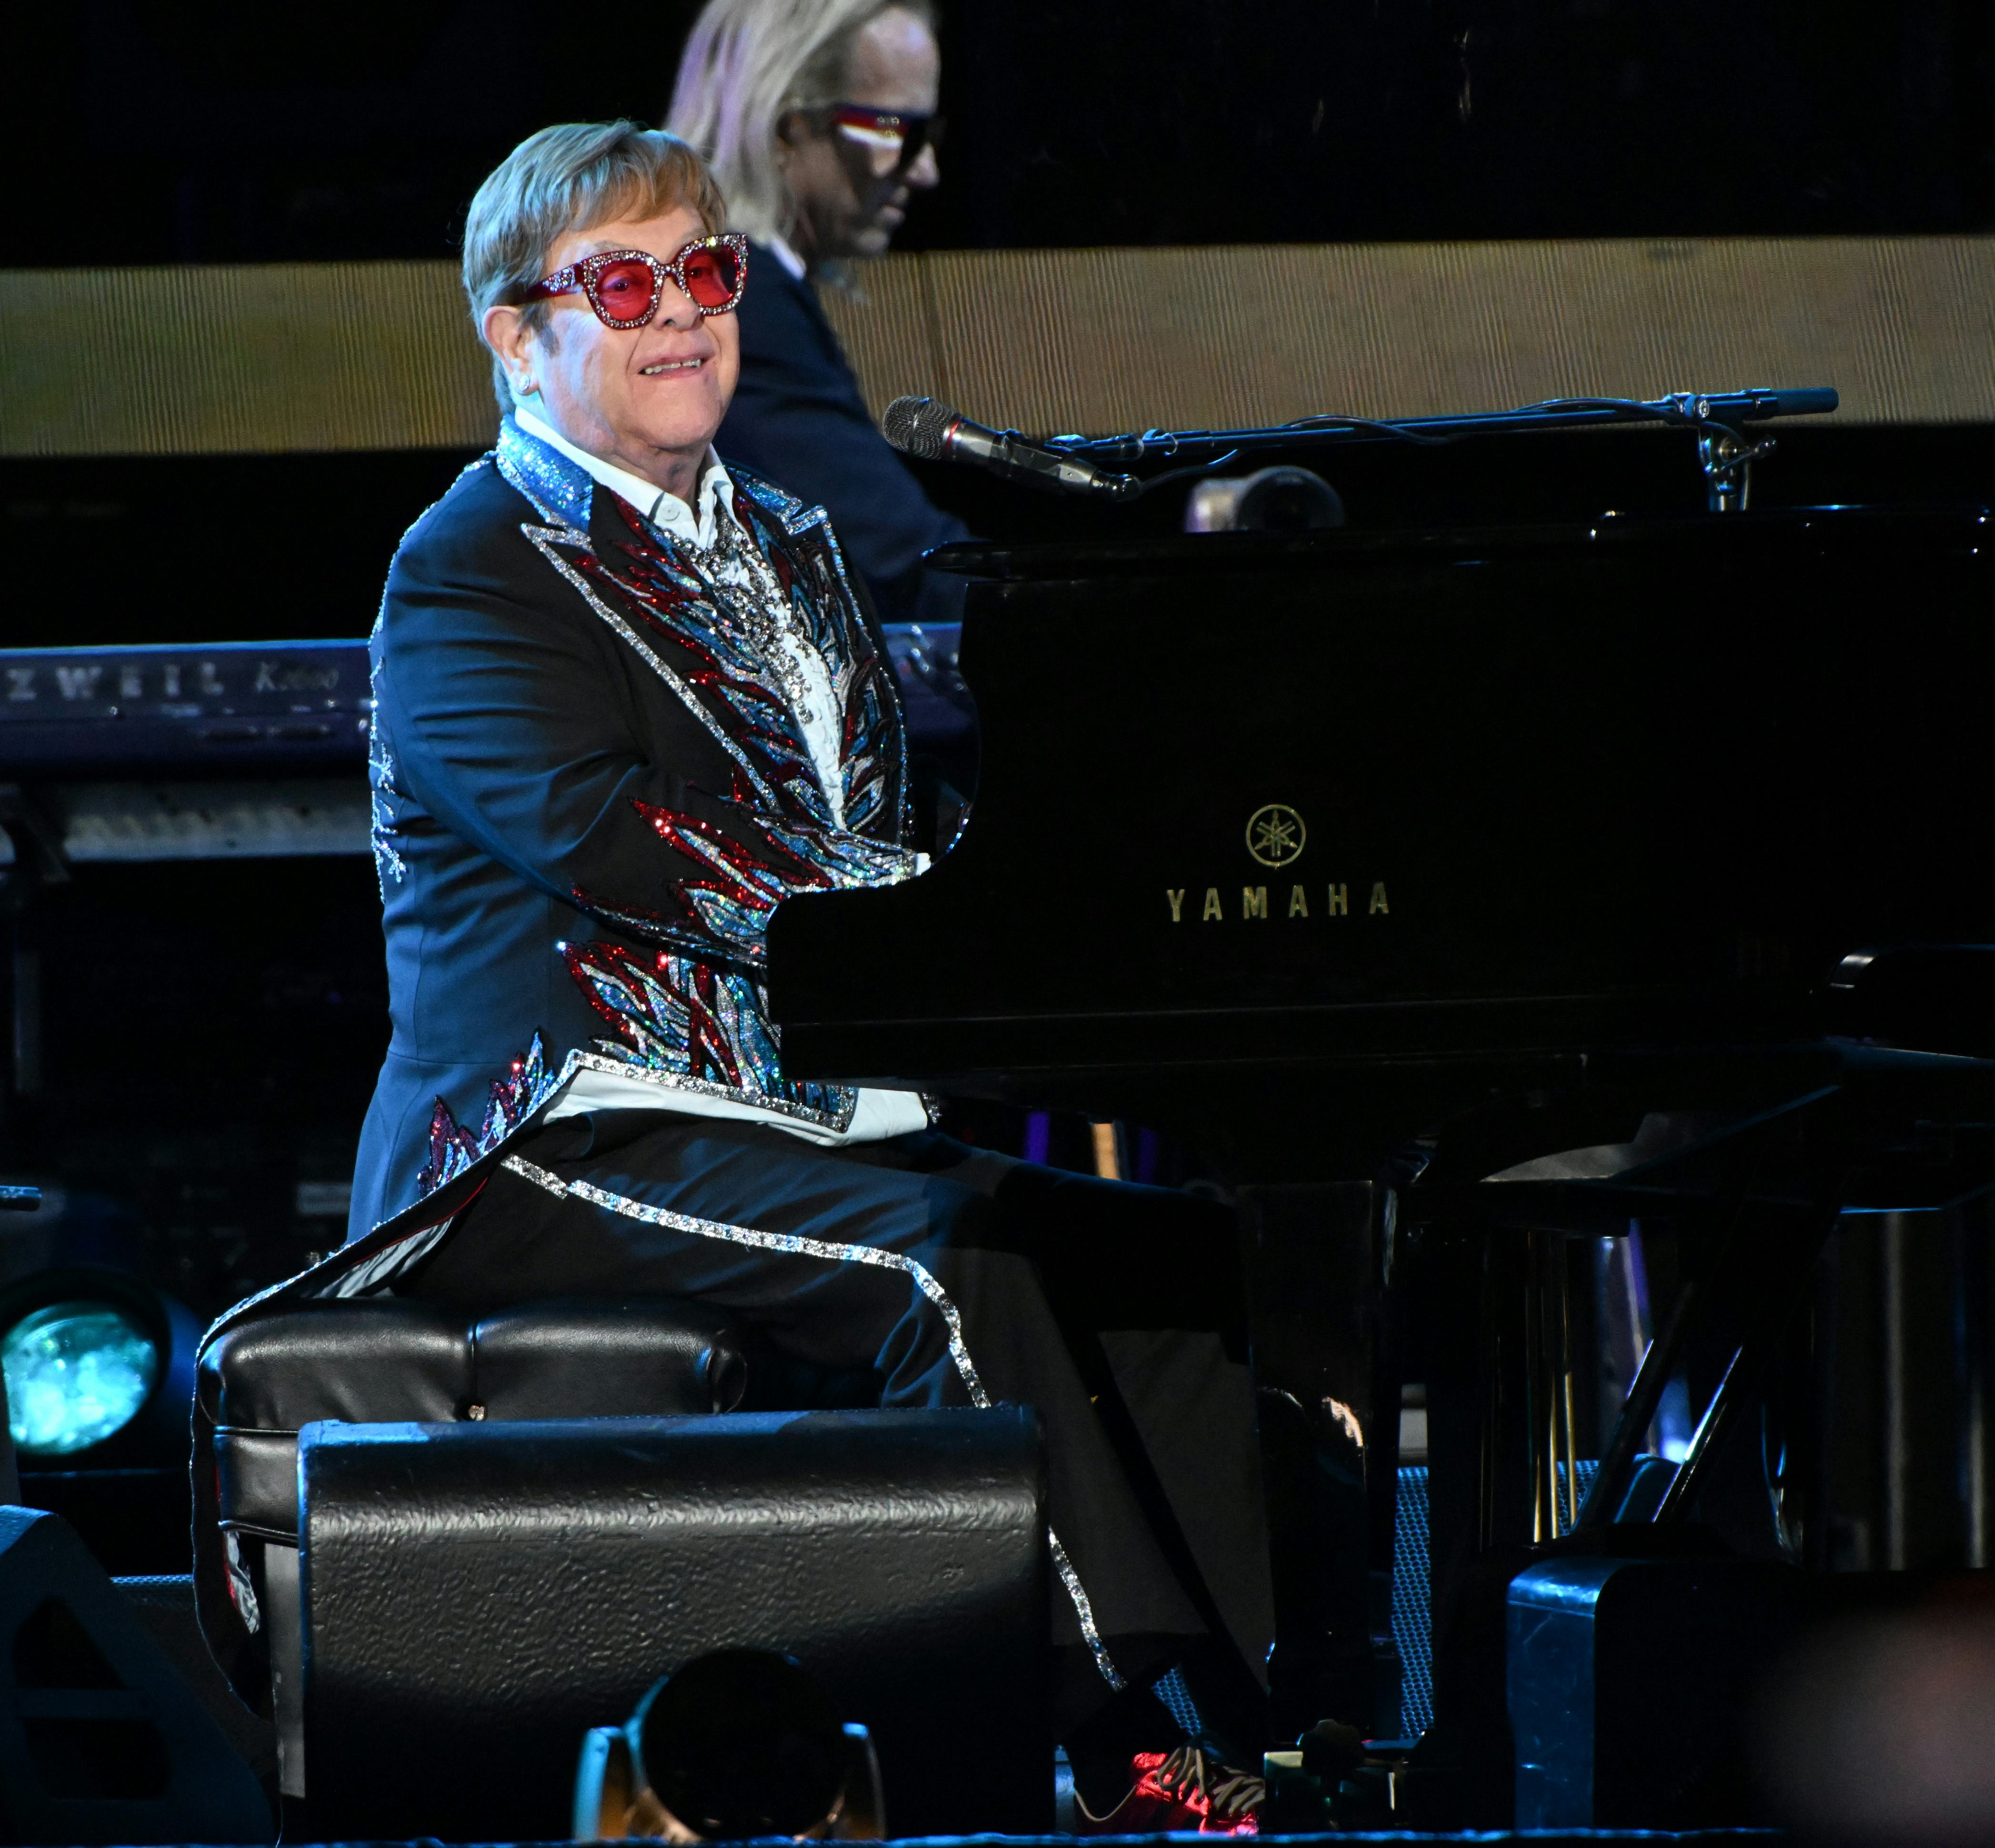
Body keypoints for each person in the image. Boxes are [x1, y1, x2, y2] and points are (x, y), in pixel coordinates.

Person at [202, 122, 1269, 1831]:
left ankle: (1243, 1720)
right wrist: (954, 912)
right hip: (555, 1126)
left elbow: (883, 817)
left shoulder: (784, 534)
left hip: (788, 1106)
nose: (684, 313)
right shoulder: (465, 565)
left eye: (704, 271)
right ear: (515, 330)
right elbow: (619, 840)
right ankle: (1124, 1754)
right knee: (941, 1266)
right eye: (625, 282)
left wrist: (1051, 902)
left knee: (1173, 1255)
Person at [668, 0, 969, 631]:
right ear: (787, 127)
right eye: (894, 130)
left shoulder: (719, 284)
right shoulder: (739, 303)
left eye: (928, 135)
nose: (926, 170)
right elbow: (895, 561)